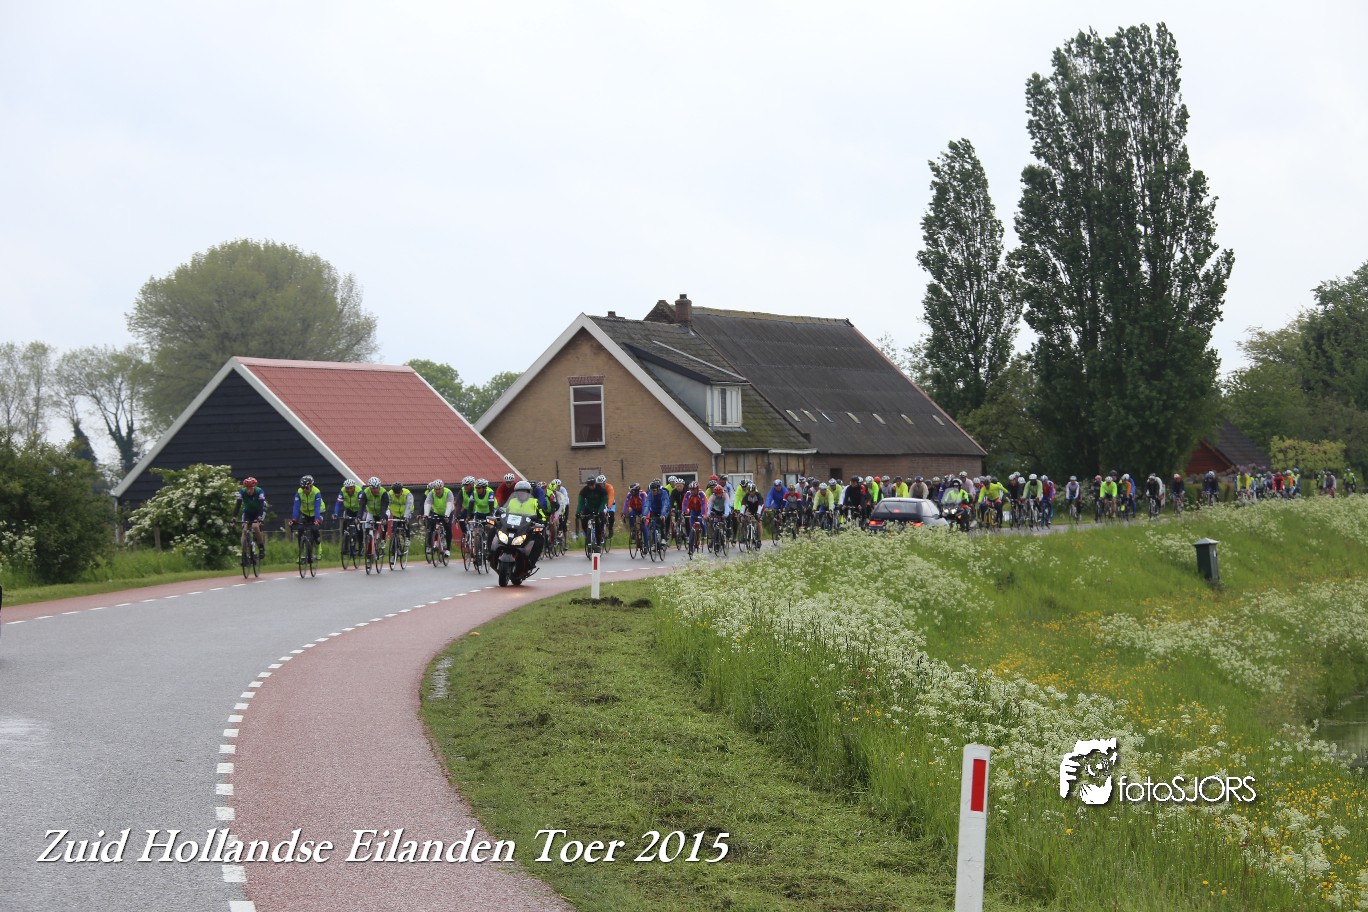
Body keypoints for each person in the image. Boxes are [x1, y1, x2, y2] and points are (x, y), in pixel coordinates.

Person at [503, 480, 546, 568]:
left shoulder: (534, 502)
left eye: (524, 491)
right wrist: (499, 514)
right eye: (519, 492)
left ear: (528, 492)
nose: (522, 494)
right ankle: (491, 553)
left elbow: (543, 515)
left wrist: (541, 521)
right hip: (511, 528)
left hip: (527, 529)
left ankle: (531, 561)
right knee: (495, 531)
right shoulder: (512, 501)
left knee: (539, 539)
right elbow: (504, 510)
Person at [234, 477, 268, 556]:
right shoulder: (242, 492)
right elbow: (238, 505)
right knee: (244, 530)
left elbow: (261, 506)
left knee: (255, 526)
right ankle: (244, 553)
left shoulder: (259, 491)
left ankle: (261, 547)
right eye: (247, 488)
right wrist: (234, 517)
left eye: (251, 488)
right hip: (248, 512)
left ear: (254, 487)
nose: (249, 490)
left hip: (258, 511)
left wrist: (259, 518)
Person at [423, 479, 456, 557]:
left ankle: (448, 549)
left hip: (448, 512)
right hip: (437, 512)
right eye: (436, 489)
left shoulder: (448, 492)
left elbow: (449, 504)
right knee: (431, 525)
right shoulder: (431, 493)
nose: (437, 491)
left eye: (439, 489)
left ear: (442, 488)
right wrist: (426, 515)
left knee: (448, 527)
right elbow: (427, 503)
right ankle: (432, 544)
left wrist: (447, 515)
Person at [577, 475, 610, 546]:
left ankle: (598, 544)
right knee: (583, 521)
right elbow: (580, 502)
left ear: (595, 483)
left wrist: (600, 511)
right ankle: (588, 536)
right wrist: (578, 512)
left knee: (598, 525)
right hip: (589, 508)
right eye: (589, 485)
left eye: (592, 485)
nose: (591, 486)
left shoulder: (600, 489)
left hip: (599, 508)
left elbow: (604, 501)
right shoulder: (585, 490)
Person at [292, 474, 324, 547]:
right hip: (305, 513)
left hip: (317, 512)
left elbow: (317, 507)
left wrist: (317, 520)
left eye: (306, 487)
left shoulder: (316, 492)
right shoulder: (299, 492)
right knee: (300, 529)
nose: (304, 490)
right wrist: (294, 519)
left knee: (314, 529)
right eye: (302, 488)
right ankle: (301, 550)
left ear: (311, 486)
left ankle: (318, 547)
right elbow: (296, 506)